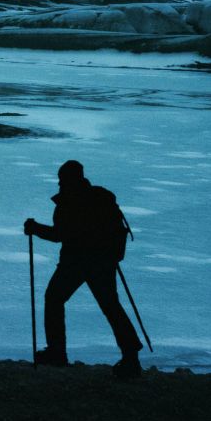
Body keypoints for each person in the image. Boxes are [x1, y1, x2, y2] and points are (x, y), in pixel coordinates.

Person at [24, 159, 143, 378]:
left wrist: (34, 229)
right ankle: (131, 357)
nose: (60, 184)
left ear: (68, 179)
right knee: (111, 306)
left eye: (62, 180)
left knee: (54, 298)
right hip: (103, 262)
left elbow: (60, 235)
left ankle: (57, 352)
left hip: (76, 262)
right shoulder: (100, 198)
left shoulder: (70, 201)